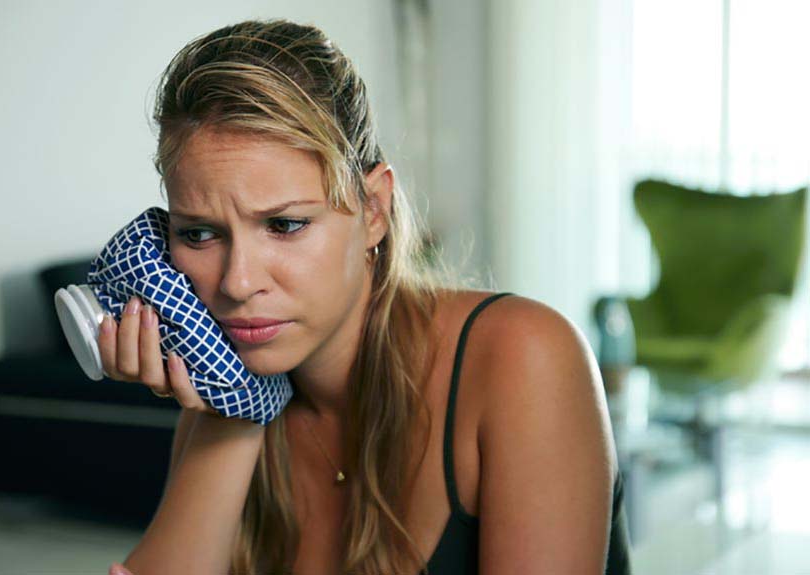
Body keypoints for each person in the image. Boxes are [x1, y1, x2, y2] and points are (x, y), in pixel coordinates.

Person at [101, 19, 632, 575]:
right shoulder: (226, 397)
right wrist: (232, 414)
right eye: (199, 233)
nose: (236, 283)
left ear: (373, 210)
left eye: (283, 225)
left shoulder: (525, 358)